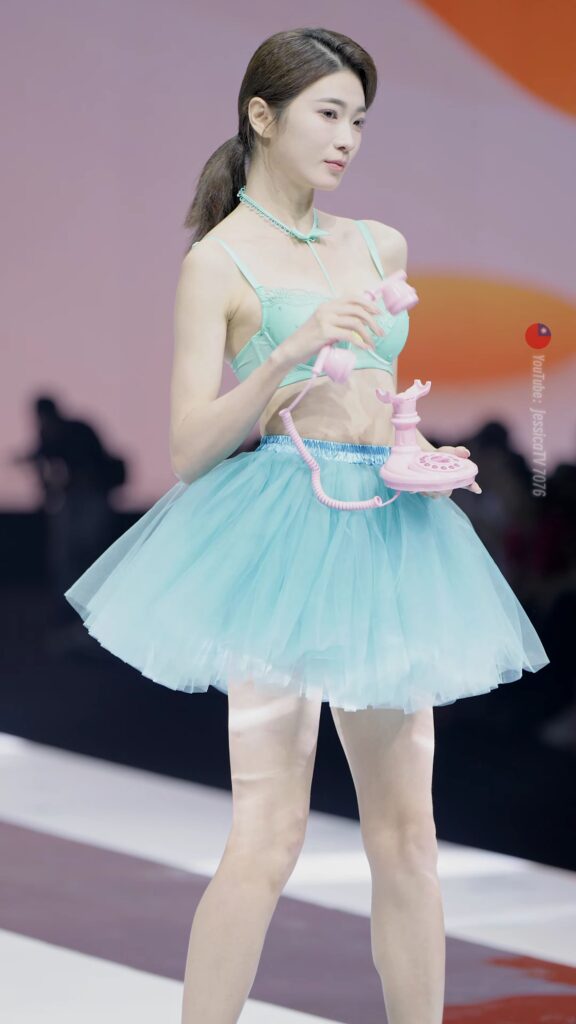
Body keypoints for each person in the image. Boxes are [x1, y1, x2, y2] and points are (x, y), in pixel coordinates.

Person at [62, 27, 550, 1024]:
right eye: (328, 114)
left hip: (391, 525)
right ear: (262, 115)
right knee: (269, 833)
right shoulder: (217, 262)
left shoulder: (377, 244)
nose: (347, 139)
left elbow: (376, 390)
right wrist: (287, 357)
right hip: (287, 527)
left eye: (359, 120)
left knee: (408, 837)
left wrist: (422, 447)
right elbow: (190, 447)